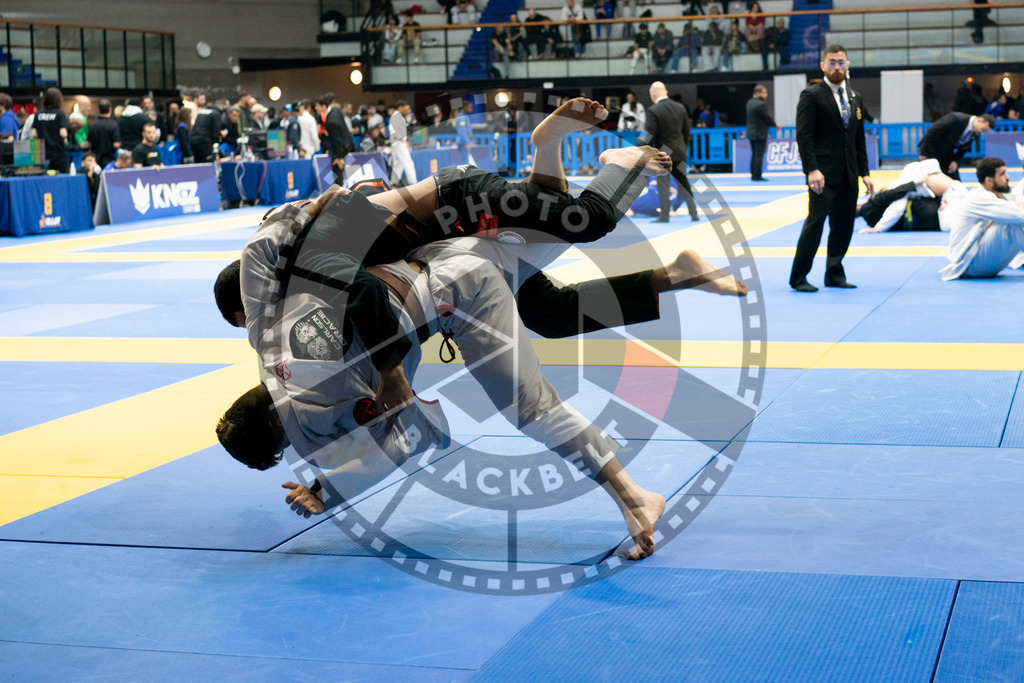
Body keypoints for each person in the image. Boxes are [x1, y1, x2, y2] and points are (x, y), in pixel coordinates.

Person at [789, 44, 874, 292]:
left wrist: (865, 173)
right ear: (823, 66)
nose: (837, 66)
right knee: (815, 224)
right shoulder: (811, 95)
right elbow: (804, 136)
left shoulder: (855, 98)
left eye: (841, 62)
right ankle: (799, 276)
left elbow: (858, 139)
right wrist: (811, 169)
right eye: (832, 62)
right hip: (822, 174)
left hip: (849, 173)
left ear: (848, 65)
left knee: (844, 225)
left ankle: (834, 274)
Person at [940, 157, 1024, 279]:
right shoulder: (978, 197)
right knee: (1011, 223)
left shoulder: (999, 193)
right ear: (989, 180)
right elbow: (1018, 214)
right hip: (969, 265)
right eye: (1002, 174)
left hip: (985, 262)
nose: (1007, 177)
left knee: (1014, 218)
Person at [644, 81, 699, 222]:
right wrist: (683, 148)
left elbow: (650, 135)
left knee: (663, 184)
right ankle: (694, 213)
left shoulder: (653, 110)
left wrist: (643, 150)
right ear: (666, 92)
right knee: (684, 182)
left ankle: (665, 215)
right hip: (680, 152)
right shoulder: (680, 108)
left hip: (663, 154)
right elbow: (686, 132)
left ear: (653, 94)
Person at [917, 111, 994, 180]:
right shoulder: (956, 118)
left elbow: (964, 148)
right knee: (926, 178)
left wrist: (955, 161)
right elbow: (933, 130)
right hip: (931, 149)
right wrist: (924, 152)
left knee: (956, 182)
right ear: (979, 120)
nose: (982, 133)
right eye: (983, 130)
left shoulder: (975, 131)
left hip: (946, 153)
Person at [31, 87, 70, 174]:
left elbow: (33, 133)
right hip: (58, 154)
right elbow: (63, 133)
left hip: (43, 155)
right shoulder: (60, 114)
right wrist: (66, 138)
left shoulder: (38, 114)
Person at [745, 84, 779, 182]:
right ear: (758, 93)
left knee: (754, 154)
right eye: (764, 92)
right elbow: (767, 118)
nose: (766, 95)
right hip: (759, 133)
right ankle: (757, 175)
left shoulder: (749, 102)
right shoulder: (760, 104)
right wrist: (775, 125)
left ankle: (753, 174)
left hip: (751, 132)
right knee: (759, 155)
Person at [318, 93, 353, 181]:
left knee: (339, 177)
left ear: (323, 106)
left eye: (317, 106)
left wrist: (338, 157)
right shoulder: (336, 110)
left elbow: (337, 139)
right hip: (346, 147)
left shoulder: (331, 121)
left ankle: (340, 193)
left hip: (339, 151)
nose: (315, 108)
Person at [86, 98, 121, 169]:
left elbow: (88, 143)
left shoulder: (93, 125)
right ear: (110, 109)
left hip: (95, 160)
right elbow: (116, 144)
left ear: (98, 110)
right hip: (109, 160)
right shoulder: (113, 125)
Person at [389, 100, 418, 186]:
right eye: (406, 108)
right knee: (408, 163)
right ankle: (413, 183)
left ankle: (393, 183)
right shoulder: (396, 116)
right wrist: (404, 141)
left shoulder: (397, 116)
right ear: (400, 108)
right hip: (399, 143)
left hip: (396, 143)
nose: (407, 110)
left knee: (398, 165)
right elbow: (396, 131)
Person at [189, 96, 223, 164]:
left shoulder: (201, 111)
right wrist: (216, 145)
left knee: (197, 164)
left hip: (193, 141)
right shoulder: (216, 113)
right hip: (204, 143)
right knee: (206, 164)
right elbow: (215, 131)